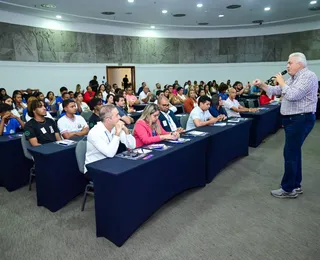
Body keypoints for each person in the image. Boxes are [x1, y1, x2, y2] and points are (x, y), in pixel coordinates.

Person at [253, 52, 318, 198]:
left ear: (299, 64)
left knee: (290, 153)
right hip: (294, 120)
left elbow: (292, 95)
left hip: (300, 119)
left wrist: (282, 82)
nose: (287, 65)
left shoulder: (308, 76)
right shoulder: (294, 78)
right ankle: (296, 185)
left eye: (290, 63)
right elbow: (276, 91)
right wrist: (262, 84)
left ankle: (288, 189)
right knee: (294, 152)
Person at [85, 104, 136, 172]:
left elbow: (132, 146)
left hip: (110, 162)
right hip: (94, 167)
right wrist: (117, 134)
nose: (120, 117)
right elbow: (110, 153)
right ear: (108, 119)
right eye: (117, 115)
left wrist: (126, 130)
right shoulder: (95, 132)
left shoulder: (114, 127)